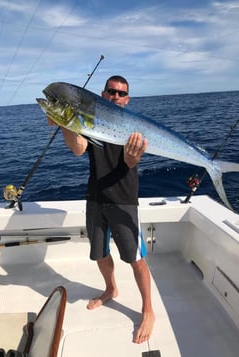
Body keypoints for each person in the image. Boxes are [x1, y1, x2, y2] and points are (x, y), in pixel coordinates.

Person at [47, 75, 155, 344]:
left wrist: (132, 157)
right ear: (103, 94)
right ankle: (111, 289)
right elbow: (78, 149)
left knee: (135, 259)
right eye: (111, 92)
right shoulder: (90, 120)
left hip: (124, 200)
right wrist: (65, 124)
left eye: (121, 93)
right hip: (95, 197)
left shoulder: (133, 129)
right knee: (99, 254)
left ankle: (148, 310)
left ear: (127, 99)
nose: (116, 96)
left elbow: (131, 162)